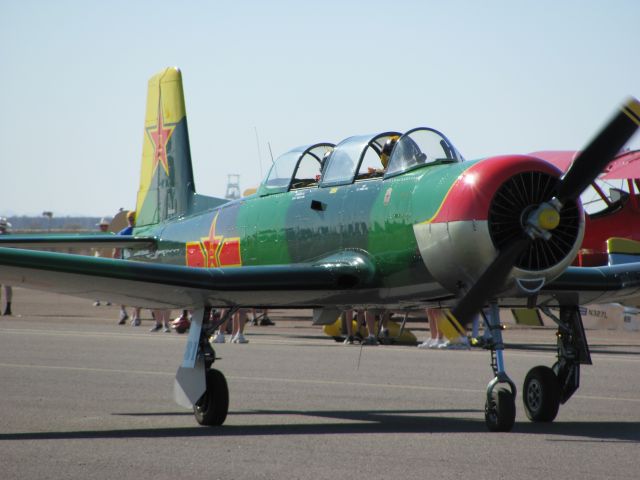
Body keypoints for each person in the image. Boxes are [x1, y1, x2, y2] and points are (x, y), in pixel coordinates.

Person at [114, 211, 140, 326]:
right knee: (137, 292)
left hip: (125, 265)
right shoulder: (140, 232)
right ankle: (136, 317)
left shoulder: (122, 233)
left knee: (123, 291)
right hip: (137, 265)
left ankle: (124, 311)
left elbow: (116, 252)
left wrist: (114, 264)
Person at [92, 217, 112, 307]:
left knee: (108, 281)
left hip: (108, 260)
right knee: (97, 281)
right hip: (99, 259)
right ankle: (97, 299)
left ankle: (109, 299)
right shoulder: (96, 236)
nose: (103, 227)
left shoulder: (111, 235)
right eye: (102, 226)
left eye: (105, 226)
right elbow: (94, 248)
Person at [0, 217, 13, 315]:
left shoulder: (9, 236)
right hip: (6, 264)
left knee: (7, 286)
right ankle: (8, 308)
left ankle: (8, 308)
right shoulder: (9, 236)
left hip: (7, 264)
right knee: (7, 287)